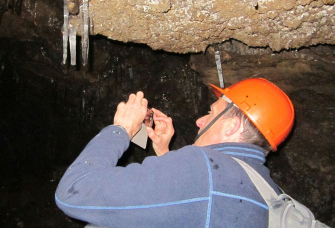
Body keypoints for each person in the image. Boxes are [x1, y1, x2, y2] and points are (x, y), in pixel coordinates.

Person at [55, 78, 295, 228]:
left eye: (211, 113)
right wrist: (164, 151)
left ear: (232, 126)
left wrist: (122, 129)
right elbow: (194, 210)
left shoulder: (201, 169)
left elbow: (74, 192)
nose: (200, 121)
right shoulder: (267, 190)